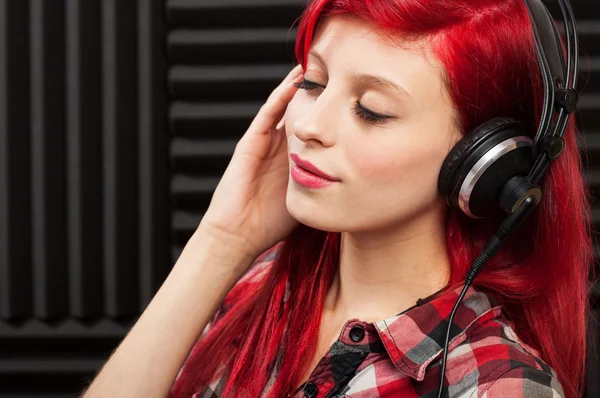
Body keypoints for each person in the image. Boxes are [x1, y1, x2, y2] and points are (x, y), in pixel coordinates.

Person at [81, 0, 593, 397]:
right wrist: (221, 242)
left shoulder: (496, 383)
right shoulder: (258, 285)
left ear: (482, 161)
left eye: (370, 110)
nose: (307, 126)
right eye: (313, 81)